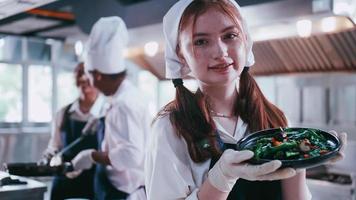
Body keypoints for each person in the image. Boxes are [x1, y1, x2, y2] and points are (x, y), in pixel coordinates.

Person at [145, 0, 348, 200]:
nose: (221, 52)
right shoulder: (170, 129)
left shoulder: (275, 119)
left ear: (245, 40)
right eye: (201, 41)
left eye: (230, 36)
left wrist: (306, 157)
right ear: (181, 54)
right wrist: (222, 176)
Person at [70, 16, 148, 200]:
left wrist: (92, 156)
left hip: (125, 192)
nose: (89, 84)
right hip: (115, 188)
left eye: (88, 77)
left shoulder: (124, 103)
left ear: (97, 76)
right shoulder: (120, 96)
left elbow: (131, 155)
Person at [41, 62, 107, 200]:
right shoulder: (63, 113)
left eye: (88, 80)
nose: (84, 84)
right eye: (80, 79)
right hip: (65, 179)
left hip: (93, 182)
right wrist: (50, 156)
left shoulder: (105, 114)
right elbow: (55, 145)